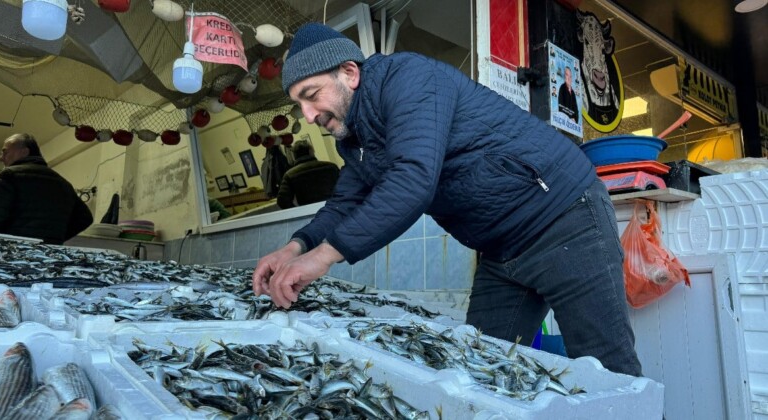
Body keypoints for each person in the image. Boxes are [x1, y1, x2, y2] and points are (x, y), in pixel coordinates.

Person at [252, 23, 642, 377]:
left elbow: (413, 178)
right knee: (481, 373)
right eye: (298, 104)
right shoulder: (357, 139)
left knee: (609, 373)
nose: (305, 115)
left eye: (311, 95)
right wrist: (295, 247)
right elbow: (342, 205)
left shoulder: (410, 79)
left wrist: (321, 258)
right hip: (502, 252)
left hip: (563, 218)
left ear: (349, 74)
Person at [0, 133, 93, 244]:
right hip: (47, 255)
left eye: (5, 152)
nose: (1, 158)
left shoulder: (9, 175)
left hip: (11, 250)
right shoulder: (63, 184)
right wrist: (55, 238)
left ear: (24, 152)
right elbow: (85, 218)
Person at [277, 140, 340, 209]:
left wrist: (299, 211)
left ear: (294, 155)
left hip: (309, 212)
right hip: (334, 208)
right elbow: (346, 186)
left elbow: (282, 201)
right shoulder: (331, 167)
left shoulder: (290, 175)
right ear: (311, 151)